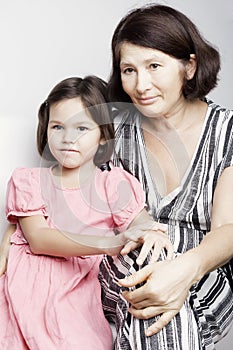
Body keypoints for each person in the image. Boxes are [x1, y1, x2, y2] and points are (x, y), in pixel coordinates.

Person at [0, 75, 173, 349]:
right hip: (25, 286)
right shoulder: (29, 180)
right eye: (57, 127)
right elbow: (39, 239)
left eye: (81, 128)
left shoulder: (112, 183)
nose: (68, 138)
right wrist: (111, 243)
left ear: (103, 136)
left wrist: (149, 230)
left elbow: (138, 219)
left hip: (76, 291)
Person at [98, 3, 233, 350]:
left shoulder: (227, 131)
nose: (141, 85)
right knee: (149, 298)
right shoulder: (115, 129)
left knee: (163, 309)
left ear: (188, 66)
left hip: (205, 271)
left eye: (154, 66)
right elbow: (69, 185)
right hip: (127, 265)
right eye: (129, 70)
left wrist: (184, 270)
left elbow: (226, 230)